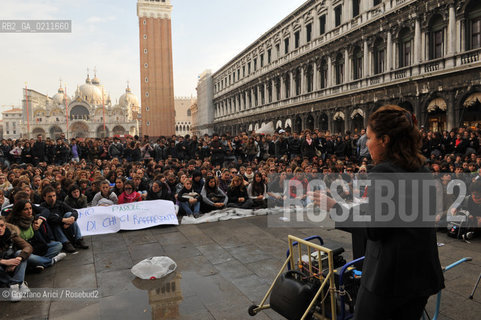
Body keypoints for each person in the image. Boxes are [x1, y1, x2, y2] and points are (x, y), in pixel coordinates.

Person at [313, 105, 444, 320]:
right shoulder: (422, 169)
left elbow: (375, 229)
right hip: (421, 274)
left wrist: (335, 208)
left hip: (389, 278)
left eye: (369, 137)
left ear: (385, 140)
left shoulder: (384, 172)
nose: (366, 144)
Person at [6, 200, 65, 272]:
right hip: (25, 250)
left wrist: (36, 229)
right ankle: (51, 261)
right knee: (20, 254)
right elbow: (19, 246)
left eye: (30, 208)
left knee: (58, 245)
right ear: (19, 211)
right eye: (26, 209)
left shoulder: (32, 220)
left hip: (36, 247)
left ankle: (38, 263)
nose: (29, 211)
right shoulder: (13, 225)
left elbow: (42, 241)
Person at [41, 186, 88, 253]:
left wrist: (71, 218)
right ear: (44, 197)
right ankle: (65, 243)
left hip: (65, 226)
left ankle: (79, 239)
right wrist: (64, 220)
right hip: (55, 230)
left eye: (54, 196)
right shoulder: (42, 207)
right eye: (49, 196)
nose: (52, 198)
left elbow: (74, 211)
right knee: (54, 223)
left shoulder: (60, 203)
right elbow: (50, 218)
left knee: (69, 214)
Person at [0, 216, 32, 301]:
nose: (0, 228)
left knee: (21, 254)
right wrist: (4, 262)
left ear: (5, 226)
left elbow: (27, 246)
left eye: (1, 225)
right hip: (2, 269)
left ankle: (15, 284)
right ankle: (19, 283)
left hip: (14, 265)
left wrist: (18, 259)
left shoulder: (11, 235)